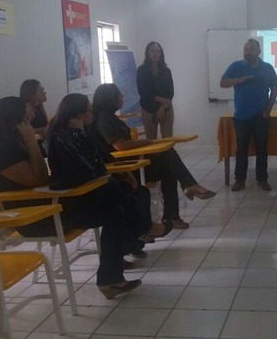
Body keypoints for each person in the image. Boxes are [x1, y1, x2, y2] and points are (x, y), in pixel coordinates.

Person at [0, 96, 166, 299]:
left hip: (52, 206)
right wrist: (32, 142)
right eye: (25, 121)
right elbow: (39, 178)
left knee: (113, 202)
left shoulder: (16, 145)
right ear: (11, 123)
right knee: (112, 197)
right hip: (35, 217)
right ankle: (141, 231)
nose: (30, 126)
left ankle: (113, 275)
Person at [92, 83, 216, 229]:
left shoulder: (110, 117)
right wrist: (147, 142)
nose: (122, 97)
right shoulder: (103, 120)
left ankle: (177, 207)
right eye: (119, 95)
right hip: (124, 169)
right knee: (168, 160)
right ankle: (185, 192)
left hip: (131, 162)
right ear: (110, 98)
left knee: (168, 165)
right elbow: (121, 146)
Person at [220, 39, 277, 192]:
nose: (248, 52)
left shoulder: (267, 68)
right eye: (246, 49)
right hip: (241, 117)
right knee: (241, 150)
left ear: (259, 52)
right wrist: (239, 80)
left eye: (251, 49)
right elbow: (223, 83)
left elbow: (274, 89)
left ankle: (262, 180)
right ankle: (239, 180)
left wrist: (268, 110)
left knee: (262, 149)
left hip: (261, 116)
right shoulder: (236, 66)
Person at [136, 41, 175, 139]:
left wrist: (162, 108)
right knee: (151, 141)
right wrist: (161, 99)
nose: (155, 53)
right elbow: (143, 92)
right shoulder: (141, 71)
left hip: (166, 108)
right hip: (148, 108)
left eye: (158, 51)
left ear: (161, 53)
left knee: (167, 140)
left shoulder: (166, 71)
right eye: (152, 51)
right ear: (148, 53)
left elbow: (170, 92)